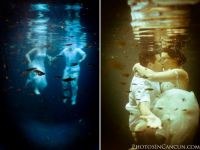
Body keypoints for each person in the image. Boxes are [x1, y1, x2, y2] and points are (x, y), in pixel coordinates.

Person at [126, 50, 163, 132]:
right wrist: (154, 120)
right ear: (150, 65)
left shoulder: (151, 73)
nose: (162, 63)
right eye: (160, 61)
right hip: (141, 124)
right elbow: (144, 107)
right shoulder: (141, 84)